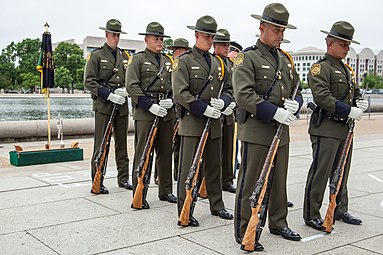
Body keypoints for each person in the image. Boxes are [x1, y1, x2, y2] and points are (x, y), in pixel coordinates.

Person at [233, 3, 303, 251]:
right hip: (256, 130)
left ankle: (278, 221)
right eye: (276, 30)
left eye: (283, 30)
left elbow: (297, 90)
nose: (280, 35)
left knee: (279, 180)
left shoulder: (285, 59)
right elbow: (243, 95)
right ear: (261, 27)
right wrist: (275, 112)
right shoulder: (248, 57)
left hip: (281, 132)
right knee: (250, 182)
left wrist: (296, 105)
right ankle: (244, 231)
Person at [303, 21, 367, 231]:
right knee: (321, 172)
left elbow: (354, 91)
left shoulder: (346, 69)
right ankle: (312, 214)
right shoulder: (320, 67)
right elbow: (322, 97)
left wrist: (360, 101)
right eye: (344, 44)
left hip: (344, 128)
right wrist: (349, 110)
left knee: (342, 171)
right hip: (326, 127)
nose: (347, 48)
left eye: (348, 44)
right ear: (331, 43)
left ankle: (340, 208)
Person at [172, 15, 235, 227]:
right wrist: (204, 108)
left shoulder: (218, 62)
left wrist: (223, 102)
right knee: (188, 169)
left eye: (212, 37)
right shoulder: (184, 61)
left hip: (214, 122)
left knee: (214, 167)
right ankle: (185, 209)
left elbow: (228, 87)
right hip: (193, 123)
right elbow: (180, 93)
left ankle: (217, 205)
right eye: (207, 36)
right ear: (197, 35)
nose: (210, 40)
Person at [126, 22, 177, 208]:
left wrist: (171, 99)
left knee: (165, 153)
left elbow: (174, 84)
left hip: (166, 111)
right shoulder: (137, 60)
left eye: (162, 38)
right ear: (146, 39)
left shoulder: (168, 61)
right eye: (156, 38)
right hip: (146, 112)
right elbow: (131, 86)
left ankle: (166, 190)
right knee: (143, 154)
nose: (160, 41)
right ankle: (139, 193)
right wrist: (150, 105)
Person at [84, 19, 132, 194]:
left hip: (121, 106)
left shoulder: (126, 57)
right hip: (104, 106)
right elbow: (89, 82)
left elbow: (131, 80)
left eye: (118, 35)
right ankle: (97, 179)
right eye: (113, 35)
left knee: (122, 144)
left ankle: (123, 178)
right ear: (106, 35)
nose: (116, 38)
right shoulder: (96, 56)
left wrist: (126, 91)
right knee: (102, 144)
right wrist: (109, 94)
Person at [213, 29, 237, 193]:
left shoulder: (232, 64)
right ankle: (209, 181)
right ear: (214, 45)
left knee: (229, 148)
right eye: (223, 44)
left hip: (228, 113)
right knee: (214, 151)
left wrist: (232, 103)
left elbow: (236, 88)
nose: (226, 47)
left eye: (228, 44)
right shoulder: (212, 61)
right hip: (214, 112)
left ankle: (227, 180)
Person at [167, 38, 192, 181]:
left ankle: (177, 173)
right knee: (169, 145)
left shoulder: (185, 64)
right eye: (183, 51)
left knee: (180, 146)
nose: (186, 53)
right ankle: (160, 175)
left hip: (182, 110)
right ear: (176, 51)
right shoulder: (171, 65)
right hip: (172, 110)